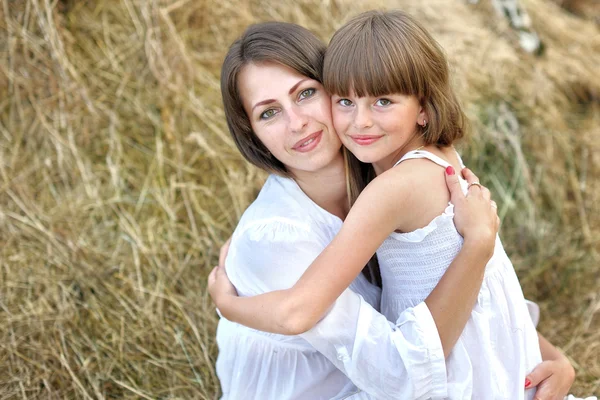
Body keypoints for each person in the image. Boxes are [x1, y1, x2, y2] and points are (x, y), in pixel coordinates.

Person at [210, 11, 595, 400]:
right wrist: (227, 305)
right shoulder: (279, 238)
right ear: (252, 134)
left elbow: (468, 288)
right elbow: (404, 380)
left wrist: (550, 357)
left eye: (306, 93)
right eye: (269, 112)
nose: (297, 123)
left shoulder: (383, 174)